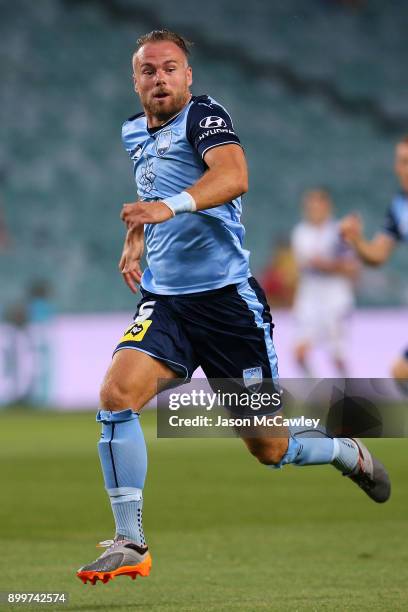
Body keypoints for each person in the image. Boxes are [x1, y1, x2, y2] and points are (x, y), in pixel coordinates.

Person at [77, 30, 390, 586]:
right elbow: (151, 191)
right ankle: (131, 541)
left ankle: (344, 451)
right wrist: (136, 236)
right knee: (115, 395)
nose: (160, 79)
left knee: (269, 449)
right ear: (136, 80)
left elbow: (233, 176)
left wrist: (166, 210)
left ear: (188, 75)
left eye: (170, 68)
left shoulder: (204, 116)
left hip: (228, 307)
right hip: (167, 303)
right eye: (149, 71)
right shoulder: (133, 131)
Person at [341, 135, 408, 384]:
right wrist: (356, 240)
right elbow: (378, 255)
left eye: (405, 161)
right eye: (399, 161)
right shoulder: (400, 205)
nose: (398, 168)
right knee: (401, 372)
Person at [291, 188, 358, 376]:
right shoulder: (300, 233)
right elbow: (306, 264)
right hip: (310, 299)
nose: (313, 210)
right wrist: (335, 265)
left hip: (335, 298)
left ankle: (348, 392)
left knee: (337, 356)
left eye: (317, 205)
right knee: (300, 353)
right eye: (309, 206)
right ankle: (317, 391)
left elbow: (352, 268)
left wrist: (327, 264)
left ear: (327, 206)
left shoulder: (339, 232)